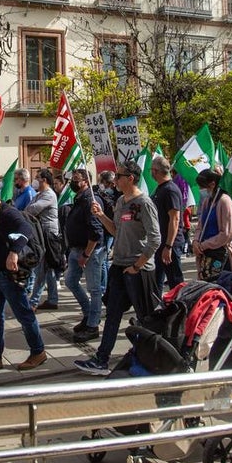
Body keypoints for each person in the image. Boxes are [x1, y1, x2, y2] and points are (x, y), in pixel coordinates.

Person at [75, 161, 161, 376]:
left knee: (146, 318)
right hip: (119, 266)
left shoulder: (144, 203)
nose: (115, 180)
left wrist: (137, 265)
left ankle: (154, 360)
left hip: (138, 270)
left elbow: (155, 239)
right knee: (112, 314)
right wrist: (101, 216)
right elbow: (116, 231)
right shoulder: (121, 201)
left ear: (130, 178)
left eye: (119, 176)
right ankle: (101, 359)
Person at [0, 192, 48, 372]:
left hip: (10, 275)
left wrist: (14, 252)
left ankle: (38, 351)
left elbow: (26, 229)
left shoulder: (9, 213)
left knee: (23, 314)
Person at [64, 168, 107, 342]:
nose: (73, 182)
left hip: (90, 251)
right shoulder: (79, 198)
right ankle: (88, 313)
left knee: (95, 289)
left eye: (76, 179)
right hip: (76, 249)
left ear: (86, 182)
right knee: (70, 281)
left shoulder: (91, 200)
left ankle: (93, 325)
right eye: (72, 179)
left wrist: (87, 254)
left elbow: (96, 232)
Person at [191, 169, 232, 282]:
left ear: (212, 184)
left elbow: (227, 234)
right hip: (205, 253)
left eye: (203, 186)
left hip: (220, 254)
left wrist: (205, 245)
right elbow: (200, 225)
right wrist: (196, 241)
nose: (201, 190)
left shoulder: (224, 201)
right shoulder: (207, 201)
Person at [25, 168, 60, 311]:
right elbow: (28, 208)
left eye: (37, 177)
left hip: (47, 235)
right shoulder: (40, 194)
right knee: (48, 268)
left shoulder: (49, 195)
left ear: (44, 180)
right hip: (40, 233)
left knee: (42, 267)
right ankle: (52, 299)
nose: (35, 180)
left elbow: (31, 210)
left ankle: (33, 302)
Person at [150, 155, 185, 291]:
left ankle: (180, 303)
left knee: (175, 282)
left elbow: (174, 219)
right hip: (161, 243)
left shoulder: (170, 190)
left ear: (156, 171)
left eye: (151, 170)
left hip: (170, 244)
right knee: (156, 281)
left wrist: (168, 246)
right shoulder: (160, 189)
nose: (151, 173)